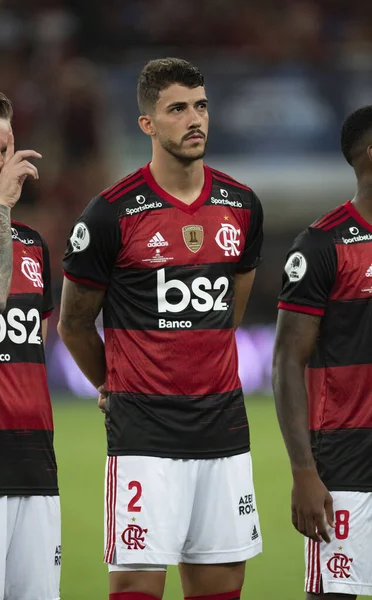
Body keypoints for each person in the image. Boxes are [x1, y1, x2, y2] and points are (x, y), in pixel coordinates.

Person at [59, 57, 263, 600]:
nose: (194, 119)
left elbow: (229, 314)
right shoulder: (110, 214)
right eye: (177, 109)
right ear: (147, 123)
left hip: (224, 428)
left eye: (200, 105)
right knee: (136, 588)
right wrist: (113, 384)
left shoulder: (241, 206)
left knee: (221, 587)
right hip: (145, 434)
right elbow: (74, 324)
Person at [272, 105, 372, 599]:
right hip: (348, 456)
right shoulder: (323, 245)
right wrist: (304, 472)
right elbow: (287, 362)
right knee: (334, 593)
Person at [0, 88, 60, 600]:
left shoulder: (30, 246)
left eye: (6, 150)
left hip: (34, 465)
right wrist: (2, 206)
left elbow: (32, 351)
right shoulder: (9, 227)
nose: (2, 164)